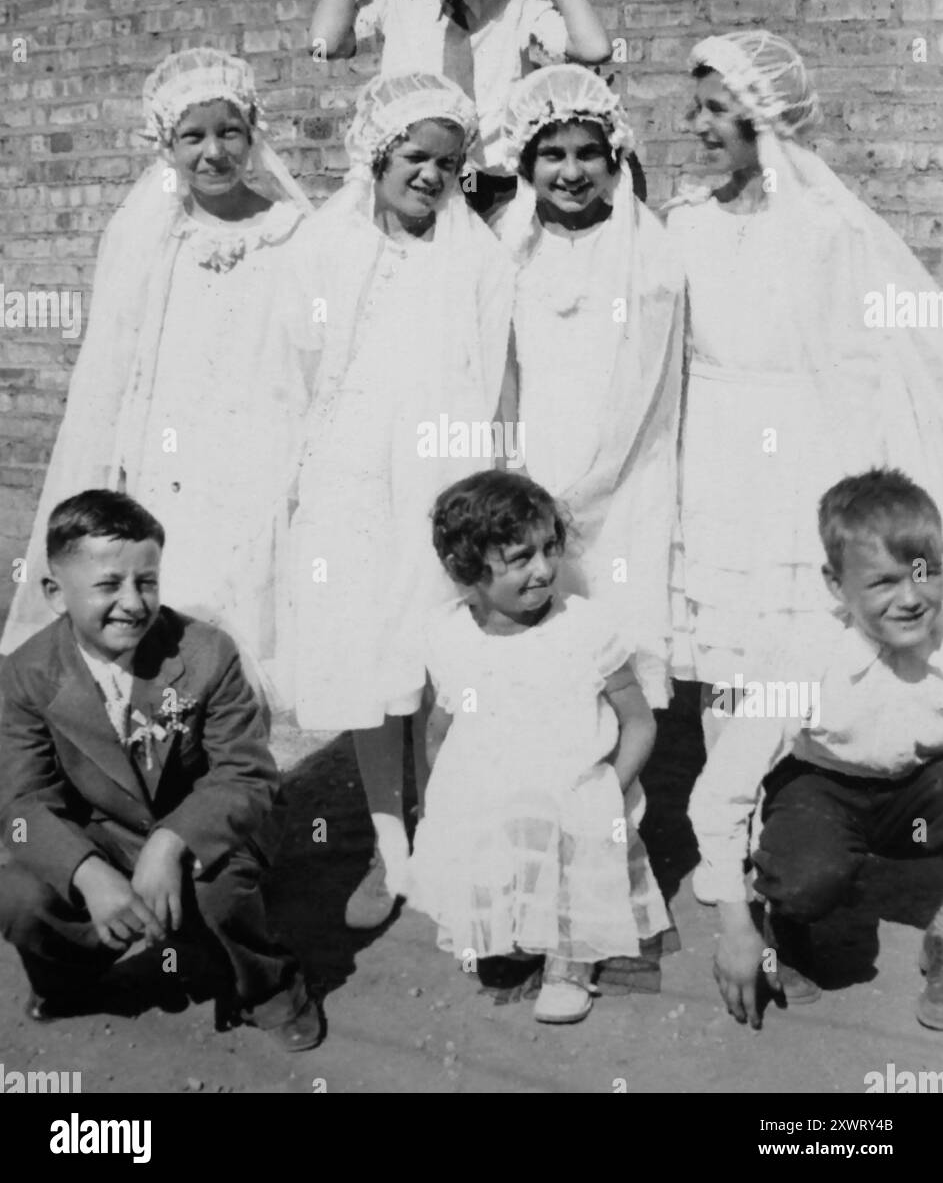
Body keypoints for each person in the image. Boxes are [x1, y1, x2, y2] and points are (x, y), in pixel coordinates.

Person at [1, 50, 320, 715]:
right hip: (171, 450)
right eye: (193, 137)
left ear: (253, 134)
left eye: (228, 133)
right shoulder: (152, 235)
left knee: (248, 605)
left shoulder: (291, 233)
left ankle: (238, 765)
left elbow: (311, 351)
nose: (212, 153)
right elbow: (122, 359)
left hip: (259, 445)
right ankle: (158, 761)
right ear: (166, 146)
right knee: (169, 599)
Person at [284, 72, 514, 930]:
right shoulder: (319, 246)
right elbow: (295, 369)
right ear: (376, 153)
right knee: (368, 663)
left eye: (447, 164)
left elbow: (490, 382)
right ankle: (392, 849)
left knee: (438, 664)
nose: (429, 175)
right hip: (347, 477)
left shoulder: (476, 259)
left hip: (435, 478)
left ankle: (448, 833)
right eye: (414, 156)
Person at [666, 31, 943, 729]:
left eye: (714, 110)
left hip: (800, 449)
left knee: (794, 628)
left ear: (760, 117)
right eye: (695, 108)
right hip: (712, 450)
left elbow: (874, 356)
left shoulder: (829, 228)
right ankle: (723, 817)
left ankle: (797, 803)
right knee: (723, 632)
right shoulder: (685, 223)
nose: (697, 126)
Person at [0, 489, 322, 1051]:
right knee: (19, 894)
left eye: (146, 581)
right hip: (103, 830)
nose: (133, 602)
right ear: (55, 593)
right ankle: (71, 979)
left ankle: (267, 987)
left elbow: (245, 774)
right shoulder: (26, 674)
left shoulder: (205, 652)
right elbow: (22, 804)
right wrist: (89, 873)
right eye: (108, 585)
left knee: (217, 889)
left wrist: (171, 842)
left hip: (203, 819)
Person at [406, 470, 671, 1025]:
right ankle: (511, 925)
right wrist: (446, 791)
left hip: (578, 792)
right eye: (521, 557)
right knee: (485, 816)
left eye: (551, 548)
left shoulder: (586, 628)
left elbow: (639, 723)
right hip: (496, 789)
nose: (545, 568)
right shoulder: (449, 634)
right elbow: (441, 725)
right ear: (469, 569)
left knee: (556, 818)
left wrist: (608, 789)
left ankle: (570, 960)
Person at [690, 468, 943, 1032]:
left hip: (920, 791)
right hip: (824, 788)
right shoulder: (805, 655)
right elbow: (720, 791)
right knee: (808, 880)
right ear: (836, 585)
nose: (910, 598)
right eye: (882, 582)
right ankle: (785, 925)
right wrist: (735, 924)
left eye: (926, 573)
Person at [493, 64, 683, 710]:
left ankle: (613, 795)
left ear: (615, 158)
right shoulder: (508, 246)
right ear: (525, 162)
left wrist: (598, 477)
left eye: (587, 154)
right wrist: (511, 465)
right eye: (551, 155)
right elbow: (501, 364)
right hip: (533, 454)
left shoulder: (645, 252)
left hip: (623, 466)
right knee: (537, 622)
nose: (570, 173)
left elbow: (647, 377)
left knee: (612, 623)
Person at [309, 0, 612, 212]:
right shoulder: (395, 1)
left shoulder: (518, 1)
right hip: (416, 190)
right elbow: (324, 46)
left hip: (498, 196)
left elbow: (595, 49)